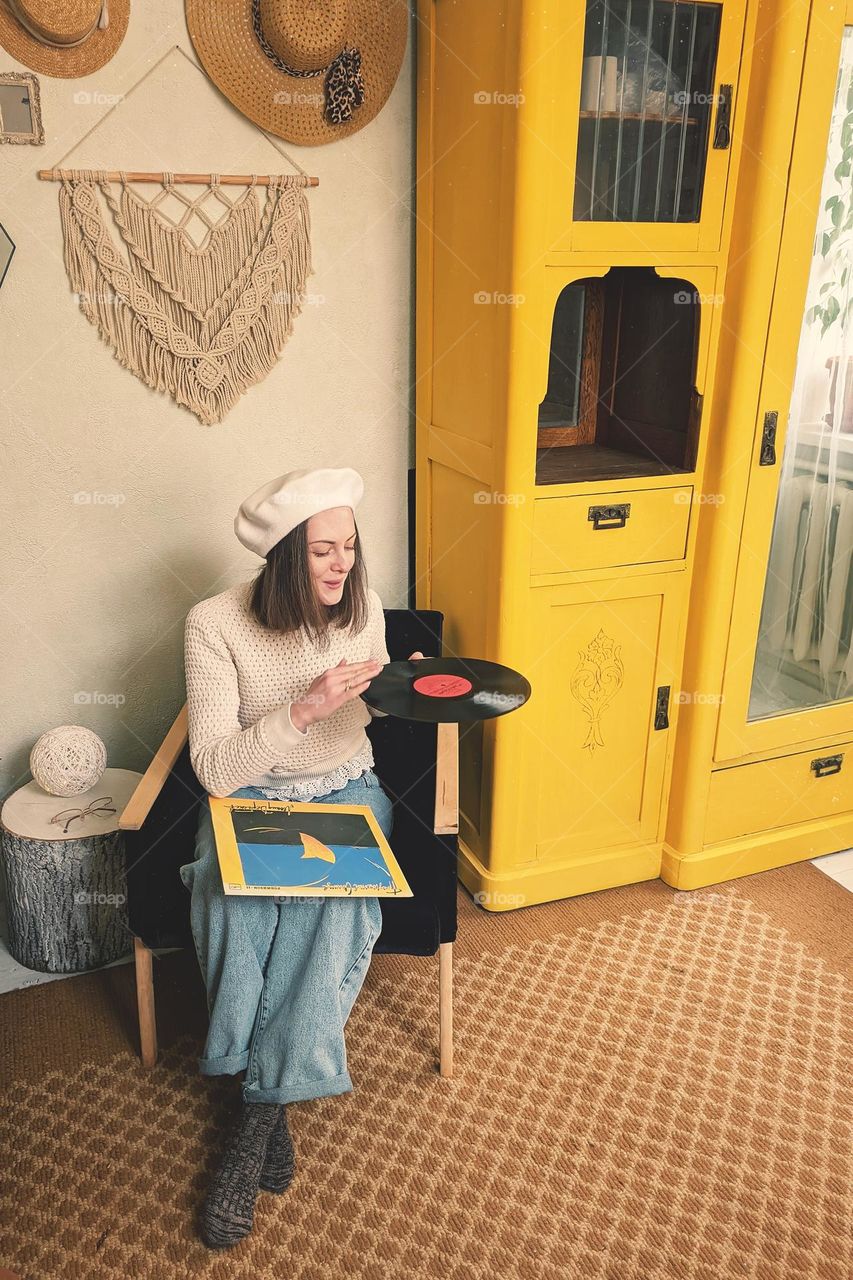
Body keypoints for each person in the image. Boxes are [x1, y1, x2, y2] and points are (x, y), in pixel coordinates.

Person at [180, 466, 424, 1250]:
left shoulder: (364, 609)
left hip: (346, 793)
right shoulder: (213, 624)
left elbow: (377, 708)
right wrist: (303, 709)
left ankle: (254, 1116)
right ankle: (270, 1094)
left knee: (331, 907)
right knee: (225, 897)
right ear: (285, 555)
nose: (341, 563)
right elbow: (215, 771)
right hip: (246, 799)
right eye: (322, 550)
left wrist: (407, 688)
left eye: (348, 546)